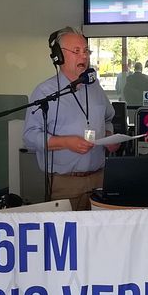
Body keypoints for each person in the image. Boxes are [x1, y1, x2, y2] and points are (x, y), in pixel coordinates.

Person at [22, 26, 118, 211]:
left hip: (99, 179)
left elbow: (108, 118)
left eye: (86, 51)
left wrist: (109, 136)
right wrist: (65, 142)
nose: (84, 56)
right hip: (64, 184)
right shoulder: (45, 92)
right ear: (59, 56)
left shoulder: (95, 88)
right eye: (76, 51)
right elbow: (30, 137)